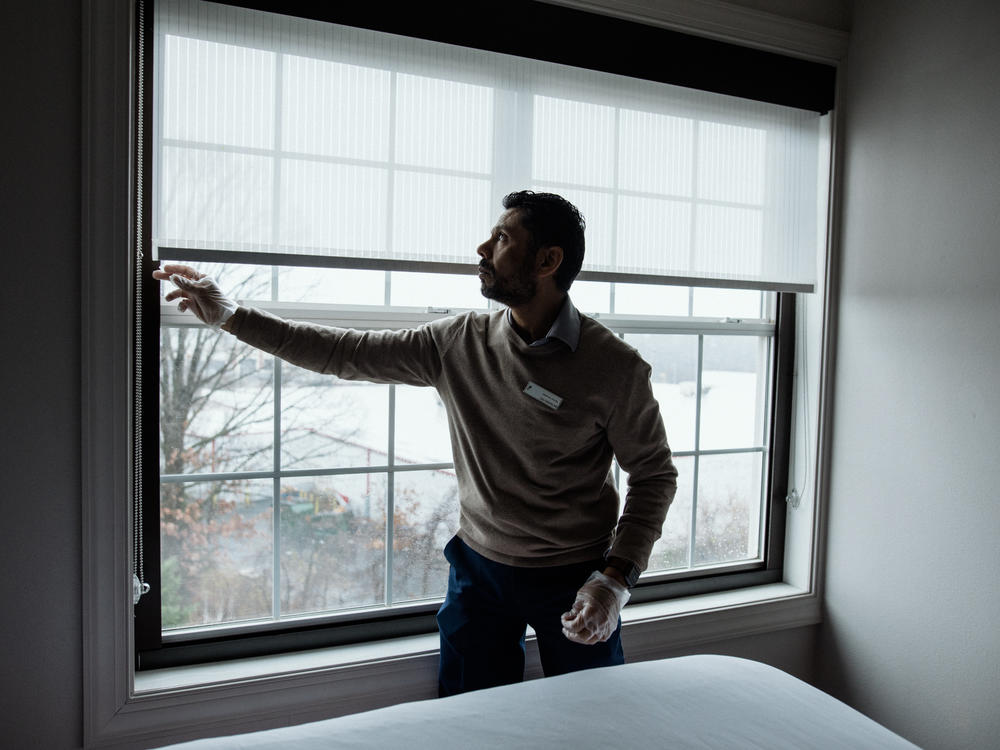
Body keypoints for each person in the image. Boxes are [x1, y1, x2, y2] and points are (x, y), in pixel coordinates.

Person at [154, 190, 678, 696]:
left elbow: (654, 476)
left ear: (548, 260)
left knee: (594, 722)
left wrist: (615, 581)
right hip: (480, 573)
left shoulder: (615, 367)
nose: (481, 249)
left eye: (500, 239)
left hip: (576, 580)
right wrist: (231, 316)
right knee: (469, 725)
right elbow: (342, 352)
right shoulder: (457, 342)